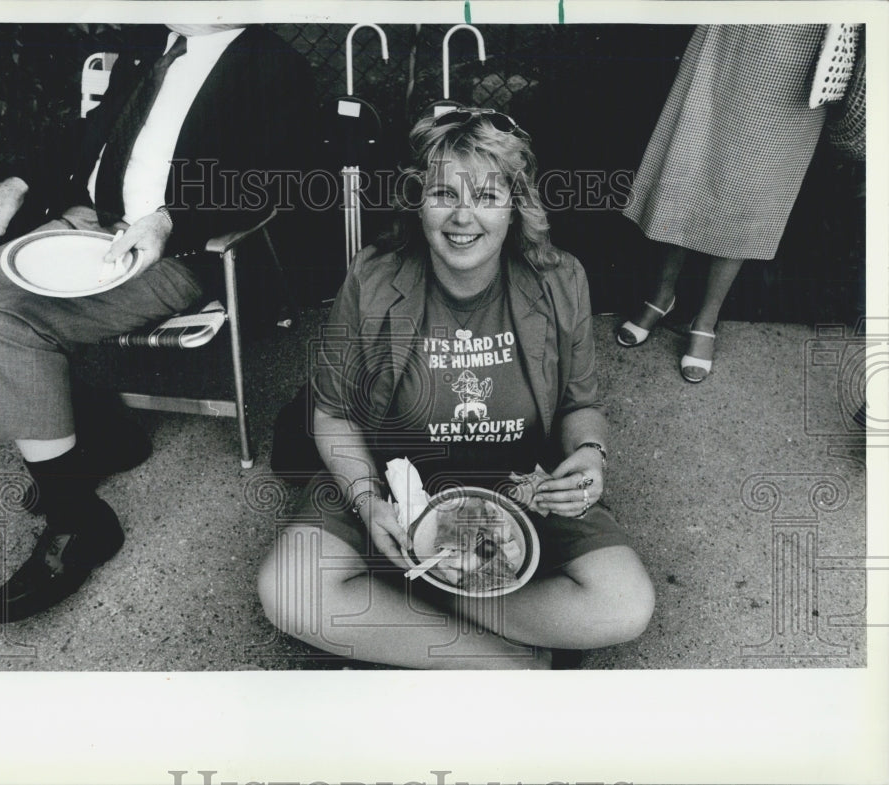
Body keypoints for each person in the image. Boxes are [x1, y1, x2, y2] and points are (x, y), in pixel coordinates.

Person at [0, 24, 313, 623]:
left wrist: (171, 218)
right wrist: (20, 183)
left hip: (173, 252)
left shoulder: (270, 63)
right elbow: (91, 137)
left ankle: (79, 522)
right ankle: (98, 435)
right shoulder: (153, 46)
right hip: (84, 225)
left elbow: (275, 178)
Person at [257, 108, 654, 669]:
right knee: (289, 589)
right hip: (393, 483)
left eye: (488, 197)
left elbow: (580, 403)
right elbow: (334, 412)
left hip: (519, 488)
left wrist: (591, 457)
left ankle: (416, 599)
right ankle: (508, 667)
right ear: (418, 201)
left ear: (516, 207)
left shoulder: (561, 279)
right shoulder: (371, 277)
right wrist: (369, 504)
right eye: (444, 192)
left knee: (625, 606)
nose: (463, 217)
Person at [617, 25, 828, 382]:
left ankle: (706, 319)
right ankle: (662, 295)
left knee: (755, 180)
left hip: (808, 43)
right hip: (738, 25)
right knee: (693, 150)